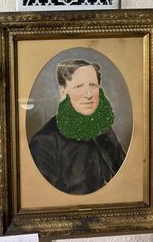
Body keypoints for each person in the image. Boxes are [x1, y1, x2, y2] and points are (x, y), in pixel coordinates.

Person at [29, 59, 126, 195]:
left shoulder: (103, 128)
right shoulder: (44, 142)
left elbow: (125, 176)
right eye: (79, 86)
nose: (89, 95)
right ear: (63, 91)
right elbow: (44, 198)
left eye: (93, 85)